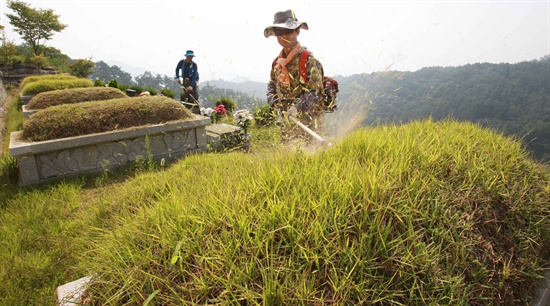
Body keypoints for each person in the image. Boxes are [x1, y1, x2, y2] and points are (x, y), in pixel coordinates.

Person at [265, 9, 325, 143]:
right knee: (288, 160)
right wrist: (274, 102)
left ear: (297, 31)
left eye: (288, 31)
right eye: (279, 32)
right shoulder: (277, 63)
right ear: (275, 35)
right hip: (287, 125)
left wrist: (297, 108)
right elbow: (271, 85)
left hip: (310, 125)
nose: (284, 36)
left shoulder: (309, 60)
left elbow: (315, 93)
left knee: (312, 159)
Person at [175, 50, 200, 114]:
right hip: (185, 81)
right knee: (187, 96)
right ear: (186, 56)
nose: (191, 58)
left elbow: (194, 76)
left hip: (192, 81)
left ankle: (196, 112)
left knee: (194, 97)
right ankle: (188, 112)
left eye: (192, 56)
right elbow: (177, 69)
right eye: (189, 56)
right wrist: (177, 77)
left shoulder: (194, 65)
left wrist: (191, 85)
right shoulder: (181, 62)